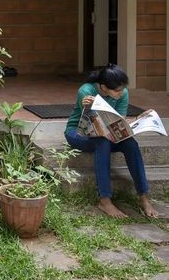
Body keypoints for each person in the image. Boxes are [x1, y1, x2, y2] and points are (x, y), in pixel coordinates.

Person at [64, 64, 158, 218]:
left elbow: (119, 121)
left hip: (108, 133)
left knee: (131, 144)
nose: (121, 93)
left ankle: (144, 197)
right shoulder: (86, 91)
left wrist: (138, 120)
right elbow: (87, 123)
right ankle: (105, 200)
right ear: (103, 87)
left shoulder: (123, 93)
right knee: (102, 142)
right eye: (117, 91)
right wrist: (86, 105)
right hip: (79, 132)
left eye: (122, 89)